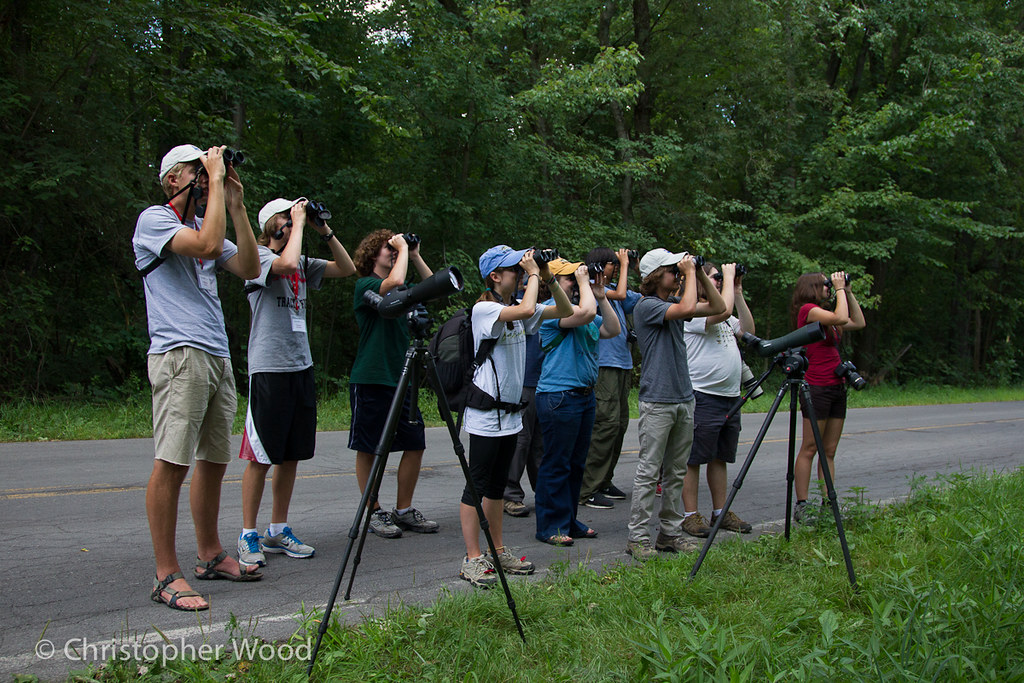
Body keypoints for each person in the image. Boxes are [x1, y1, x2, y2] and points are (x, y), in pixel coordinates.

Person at [133, 144, 262, 611]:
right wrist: (212, 186)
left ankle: (209, 554)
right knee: (173, 461)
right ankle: (166, 574)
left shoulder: (204, 221)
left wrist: (236, 206)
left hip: (216, 354)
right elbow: (207, 247)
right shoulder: (155, 220)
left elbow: (249, 267)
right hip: (178, 353)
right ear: (173, 180)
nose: (208, 176)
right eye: (198, 171)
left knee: (213, 460)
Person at [235, 198, 357, 570]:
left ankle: (277, 528)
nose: (293, 221)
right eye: (287, 217)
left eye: (295, 216)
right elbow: (285, 262)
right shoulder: (255, 257)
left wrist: (325, 230)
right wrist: (300, 224)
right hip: (269, 368)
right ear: (272, 222)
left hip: (299, 366)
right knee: (262, 456)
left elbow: (347, 268)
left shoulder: (303, 261)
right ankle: (247, 534)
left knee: (290, 455)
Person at [457, 246, 573, 586]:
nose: (521, 273)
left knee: (495, 488)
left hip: (509, 416)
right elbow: (526, 308)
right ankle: (473, 557)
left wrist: (547, 277)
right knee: (477, 486)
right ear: (495, 276)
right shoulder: (485, 309)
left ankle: (496, 548)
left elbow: (565, 310)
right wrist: (535, 274)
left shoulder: (513, 308)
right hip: (484, 416)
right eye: (515, 269)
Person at [626, 249, 725, 561]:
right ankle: (637, 537)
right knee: (649, 471)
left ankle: (669, 534)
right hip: (657, 399)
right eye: (673, 270)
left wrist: (698, 274)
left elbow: (720, 307)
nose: (678, 274)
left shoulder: (670, 304)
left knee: (676, 473)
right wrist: (691, 274)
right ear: (656, 275)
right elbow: (687, 307)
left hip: (684, 397)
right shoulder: (647, 307)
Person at [348, 230, 438, 538]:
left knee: (415, 443)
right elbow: (393, 285)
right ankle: (372, 509)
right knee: (369, 447)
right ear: (373, 254)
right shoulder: (366, 285)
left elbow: (433, 287)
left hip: (404, 376)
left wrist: (412, 254)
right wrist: (401, 249)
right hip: (372, 376)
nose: (394, 252)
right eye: (389, 248)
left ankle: (403, 510)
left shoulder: (404, 285)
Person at [534, 258, 620, 546]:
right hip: (559, 396)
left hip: (583, 396)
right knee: (557, 464)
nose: (577, 279)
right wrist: (584, 285)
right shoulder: (550, 314)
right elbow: (583, 315)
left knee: (575, 464)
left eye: (576, 275)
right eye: (570, 277)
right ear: (554, 282)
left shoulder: (586, 310)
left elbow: (612, 329)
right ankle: (550, 526)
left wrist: (600, 295)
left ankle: (568, 521)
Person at [682, 262, 755, 536]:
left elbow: (748, 331)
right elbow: (720, 309)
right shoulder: (692, 311)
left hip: (729, 396)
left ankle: (719, 513)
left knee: (719, 457)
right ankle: (690, 516)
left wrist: (737, 292)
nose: (720, 281)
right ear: (701, 281)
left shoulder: (725, 313)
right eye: (715, 278)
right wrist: (727, 278)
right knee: (693, 458)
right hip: (702, 394)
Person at [790, 271, 866, 521]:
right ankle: (802, 504)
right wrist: (840, 289)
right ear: (812, 287)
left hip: (836, 385)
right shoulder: (808, 310)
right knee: (810, 447)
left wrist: (848, 292)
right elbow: (840, 316)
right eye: (825, 284)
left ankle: (828, 503)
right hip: (816, 386)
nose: (828, 288)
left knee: (829, 450)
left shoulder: (829, 318)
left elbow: (857, 322)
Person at [579, 247, 641, 509]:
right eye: (611, 264)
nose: (615, 267)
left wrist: (635, 266)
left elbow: (640, 297)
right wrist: (625, 263)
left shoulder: (615, 288)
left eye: (617, 264)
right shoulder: (592, 288)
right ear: (597, 266)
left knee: (619, 426)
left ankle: (604, 480)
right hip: (603, 365)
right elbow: (622, 294)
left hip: (622, 365)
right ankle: (587, 488)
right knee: (604, 426)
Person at [501, 274, 550, 518]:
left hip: (544, 381)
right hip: (523, 380)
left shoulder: (550, 307)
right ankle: (509, 494)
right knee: (521, 440)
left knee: (540, 443)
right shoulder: (518, 305)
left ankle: (542, 492)